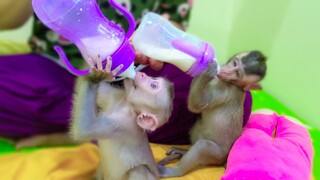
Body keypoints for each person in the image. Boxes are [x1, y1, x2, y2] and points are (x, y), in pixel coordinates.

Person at [0, 0, 253, 148]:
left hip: (134, 75)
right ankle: (94, 130)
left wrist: (153, 45)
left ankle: (91, 130)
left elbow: (170, 28)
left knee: (232, 97)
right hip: (58, 71)